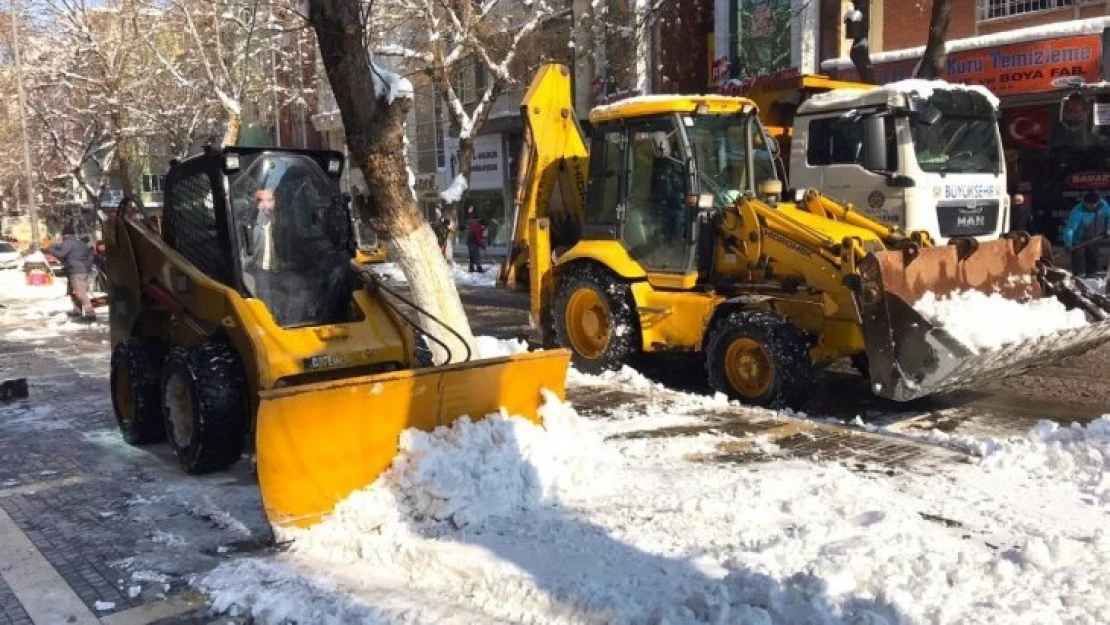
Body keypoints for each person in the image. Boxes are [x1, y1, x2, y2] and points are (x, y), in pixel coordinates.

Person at [48, 223, 95, 319]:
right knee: (73, 291)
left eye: (63, 236)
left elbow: (61, 254)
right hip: (84, 271)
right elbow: (90, 256)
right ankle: (77, 310)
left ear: (65, 235)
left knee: (80, 293)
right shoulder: (81, 243)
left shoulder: (69, 243)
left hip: (76, 271)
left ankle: (90, 314)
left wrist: (51, 249)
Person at [1063, 191, 1110, 277]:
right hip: (1078, 242)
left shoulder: (1103, 205)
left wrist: (1108, 228)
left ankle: (1091, 280)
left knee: (1093, 265)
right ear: (1084, 202)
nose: (1090, 207)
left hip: (1095, 239)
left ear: (1098, 202)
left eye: (1093, 205)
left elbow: (1109, 216)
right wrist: (1068, 243)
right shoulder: (1077, 211)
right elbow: (1070, 229)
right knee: (1079, 268)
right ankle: (1079, 283)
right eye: (1088, 204)